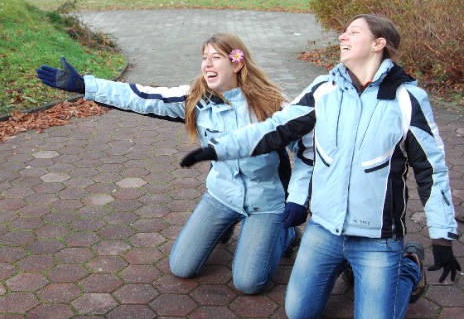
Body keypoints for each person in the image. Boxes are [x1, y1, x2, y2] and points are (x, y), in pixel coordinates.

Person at [180, 15, 461, 319]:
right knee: (299, 314)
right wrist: (220, 149)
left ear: (378, 43)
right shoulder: (324, 89)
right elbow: (275, 128)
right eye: (343, 31)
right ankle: (343, 265)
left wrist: (442, 236)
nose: (342, 36)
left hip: (377, 237)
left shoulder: (406, 98)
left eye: (353, 32)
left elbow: (432, 170)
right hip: (324, 229)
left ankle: (409, 267)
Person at [36, 33, 312, 295]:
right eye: (204, 58)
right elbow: (141, 97)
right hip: (222, 195)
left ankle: (286, 234)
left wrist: (298, 198)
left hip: (266, 202)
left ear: (237, 63)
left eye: (216, 57)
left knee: (248, 283)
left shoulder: (273, 105)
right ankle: (226, 223)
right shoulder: (196, 99)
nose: (207, 64)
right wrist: (85, 85)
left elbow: (306, 149)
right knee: (181, 267)